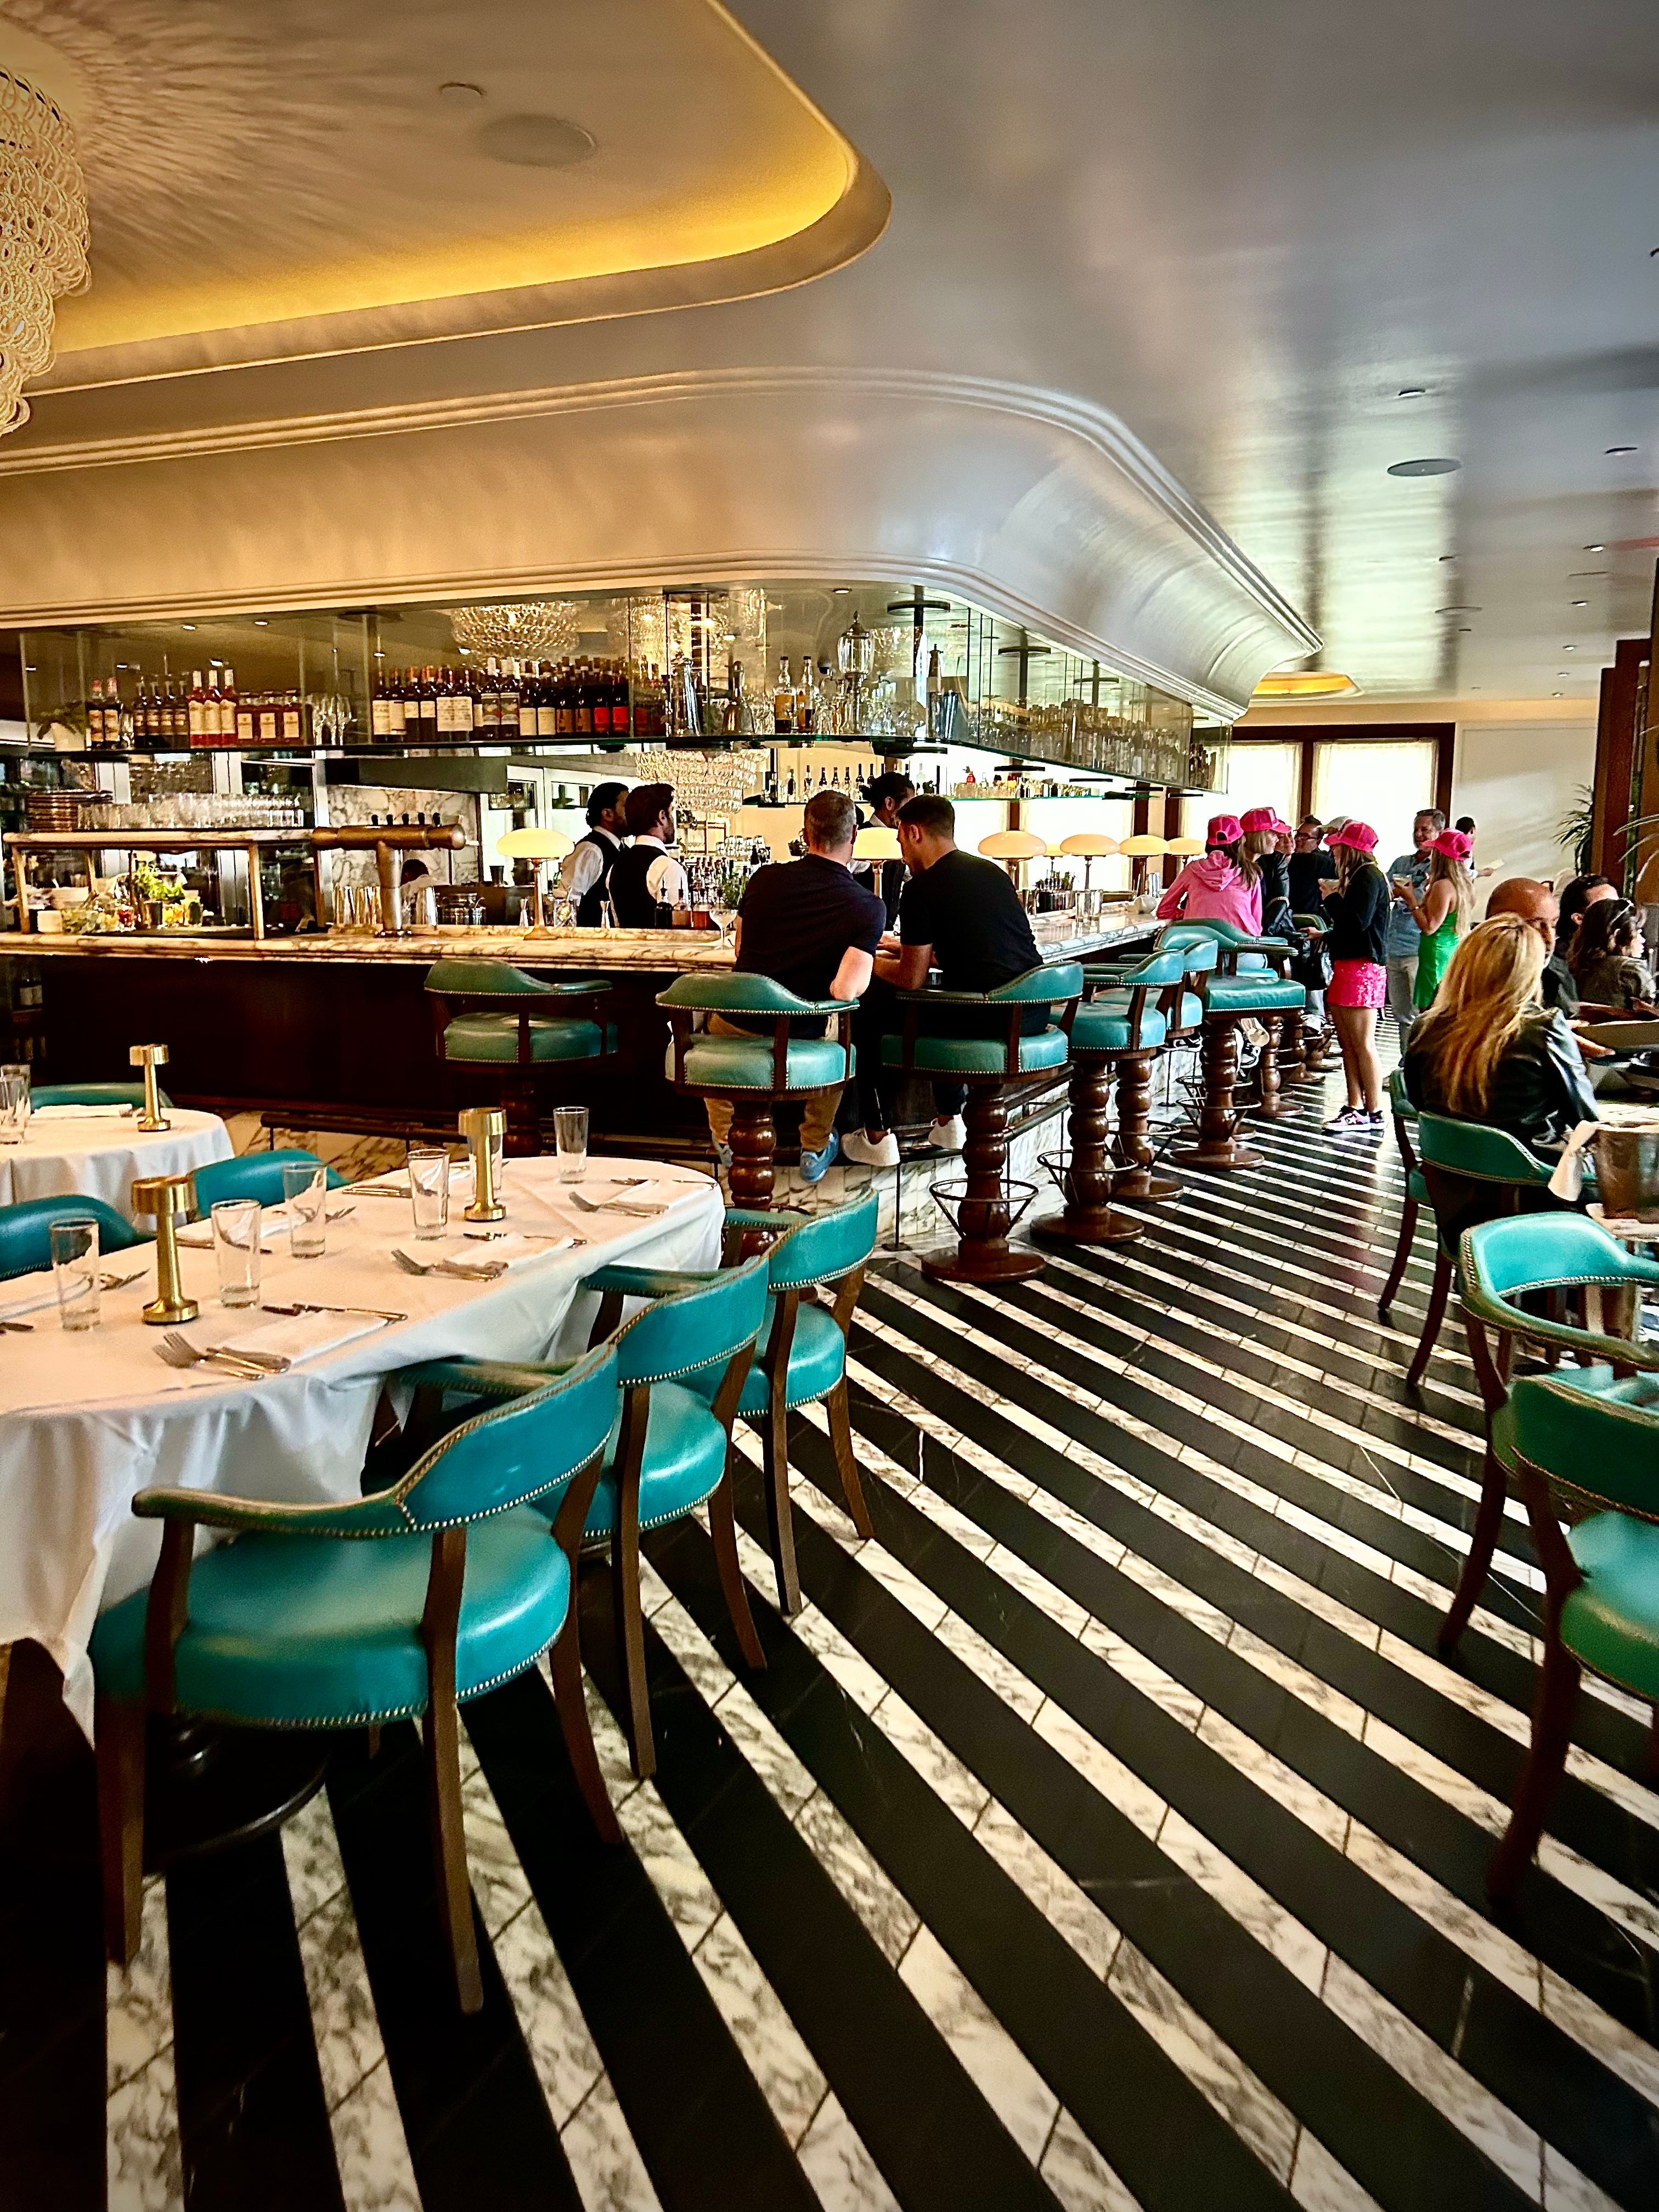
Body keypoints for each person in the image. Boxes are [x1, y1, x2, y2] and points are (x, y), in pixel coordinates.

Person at [845, 793, 1043, 1168]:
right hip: (1030, 1013)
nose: (902, 853)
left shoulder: (921, 889)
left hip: (988, 1018)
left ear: (914, 832)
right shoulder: (992, 874)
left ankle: (878, 1135)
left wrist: (867, 962)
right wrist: (903, 949)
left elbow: (911, 979)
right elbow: (976, 953)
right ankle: (949, 1119)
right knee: (943, 997)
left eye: (901, 840)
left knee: (870, 1007)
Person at [704, 788, 885, 1183]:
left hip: (735, 1024)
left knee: (713, 1032)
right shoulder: (867, 906)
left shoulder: (764, 879)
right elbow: (845, 991)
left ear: (805, 834)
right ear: (854, 835)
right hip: (799, 1035)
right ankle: (814, 1147)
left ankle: (725, 1136)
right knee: (842, 1040)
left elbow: (740, 948)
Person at [1404, 916, 1598, 1239]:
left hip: (1454, 1202)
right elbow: (1588, 1121)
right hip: (1534, 1206)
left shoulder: (1426, 1028)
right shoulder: (1544, 1028)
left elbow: (1417, 1102)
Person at [1321, 820, 1391, 1131]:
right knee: (1348, 1044)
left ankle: (1374, 1110)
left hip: (1362, 968)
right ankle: (1355, 1106)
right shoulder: (1362, 876)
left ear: (1349, 849)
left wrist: (1331, 898)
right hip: (1351, 965)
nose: (1333, 852)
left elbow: (1356, 923)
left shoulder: (1368, 877)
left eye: (1337, 846)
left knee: (1362, 1043)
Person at [1381, 806, 1445, 1039]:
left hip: (1419, 947)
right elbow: (1385, 892)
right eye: (1416, 830)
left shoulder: (1440, 869)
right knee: (1400, 1013)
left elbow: (1429, 904)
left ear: (1439, 833)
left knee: (1423, 1012)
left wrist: (1408, 896)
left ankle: (1419, 1058)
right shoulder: (1401, 863)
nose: (1419, 835)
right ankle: (1404, 1057)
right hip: (1394, 944)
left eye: (1425, 830)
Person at [1396, 828, 1475, 1012]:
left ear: (1441, 856)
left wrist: (1411, 899)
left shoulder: (1443, 886)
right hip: (1453, 948)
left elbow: (1430, 927)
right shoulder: (1465, 885)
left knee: (1430, 1009)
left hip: (1435, 953)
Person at [1155, 812, 1262, 933]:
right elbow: (1257, 924)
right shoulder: (1250, 873)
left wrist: (1193, 916)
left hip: (1200, 941)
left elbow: (1164, 910)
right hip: (1242, 942)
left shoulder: (1192, 870)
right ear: (1240, 843)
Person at [1485, 877, 1579, 1012]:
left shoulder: (1559, 974)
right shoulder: (1469, 981)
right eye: (1536, 926)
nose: (1549, 939)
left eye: (1554, 925)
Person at [607, 783, 688, 925]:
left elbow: (617, 924)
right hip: (662, 941)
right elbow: (680, 929)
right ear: (662, 816)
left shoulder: (615, 867)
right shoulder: (667, 867)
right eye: (672, 812)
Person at [559, 779, 629, 927]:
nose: (632, 812)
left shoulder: (623, 849)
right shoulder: (590, 850)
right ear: (607, 814)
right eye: (626, 807)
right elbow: (567, 902)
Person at [1569, 897, 1658, 1012]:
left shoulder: (1579, 966)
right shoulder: (1630, 968)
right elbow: (1653, 1011)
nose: (1643, 940)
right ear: (1617, 936)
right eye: (1638, 932)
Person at [856, 771, 915, 923]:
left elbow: (910, 878)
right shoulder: (859, 838)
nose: (911, 815)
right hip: (860, 931)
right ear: (889, 803)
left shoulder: (901, 841)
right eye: (908, 806)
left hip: (889, 930)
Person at [1240, 807, 1294, 936]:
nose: (1277, 839)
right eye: (1273, 834)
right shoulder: (1229, 862)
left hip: (1270, 932)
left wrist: (1263, 937)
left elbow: (1280, 900)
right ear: (1259, 836)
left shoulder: (1276, 860)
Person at [1554, 873, 1617, 958]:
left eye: (1619, 904)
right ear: (1579, 919)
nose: (1619, 911)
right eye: (1607, 907)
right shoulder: (1557, 963)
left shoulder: (1618, 949)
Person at [1286, 817, 1335, 917]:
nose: (1298, 839)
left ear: (1318, 842)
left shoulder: (1318, 861)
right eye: (1298, 834)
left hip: (1307, 917)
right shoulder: (1288, 857)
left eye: (1305, 836)